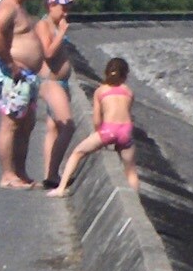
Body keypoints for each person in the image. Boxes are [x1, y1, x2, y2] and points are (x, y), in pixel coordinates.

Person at [0, 0, 46, 188]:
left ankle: (20, 172)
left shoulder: (19, 7)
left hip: (28, 76)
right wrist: (10, 62)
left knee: (26, 124)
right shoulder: (8, 6)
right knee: (10, 123)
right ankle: (8, 175)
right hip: (15, 75)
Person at [50, 56, 141, 197]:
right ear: (125, 75)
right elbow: (127, 113)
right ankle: (135, 198)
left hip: (109, 130)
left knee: (78, 152)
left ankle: (61, 188)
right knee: (130, 170)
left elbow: (97, 119)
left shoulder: (101, 91)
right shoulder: (129, 91)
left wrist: (99, 134)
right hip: (125, 130)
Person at [35, 0, 79, 188]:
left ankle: (50, 175)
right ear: (51, 6)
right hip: (50, 82)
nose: (66, 13)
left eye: (68, 8)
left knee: (53, 128)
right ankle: (52, 174)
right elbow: (48, 53)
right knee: (68, 126)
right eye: (63, 8)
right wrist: (61, 33)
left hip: (60, 82)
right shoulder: (44, 25)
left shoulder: (54, 24)